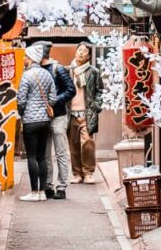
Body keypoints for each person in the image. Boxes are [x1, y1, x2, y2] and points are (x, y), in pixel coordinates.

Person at [16, 43, 57, 202]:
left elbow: (21, 100)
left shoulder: (27, 75)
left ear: (31, 58)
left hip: (31, 122)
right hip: (45, 122)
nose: (24, 59)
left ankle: (33, 192)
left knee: (32, 157)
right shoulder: (47, 75)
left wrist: (21, 112)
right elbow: (53, 99)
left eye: (26, 56)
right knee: (42, 157)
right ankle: (42, 192)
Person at [41, 41, 76, 200]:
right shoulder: (35, 70)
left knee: (60, 152)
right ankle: (48, 185)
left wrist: (54, 100)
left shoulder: (58, 68)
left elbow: (71, 90)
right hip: (42, 116)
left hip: (59, 116)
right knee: (46, 153)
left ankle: (61, 186)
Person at [68, 42, 103, 184]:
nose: (81, 52)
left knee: (87, 143)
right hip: (70, 114)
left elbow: (100, 90)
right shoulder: (68, 70)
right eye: (79, 50)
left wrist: (96, 106)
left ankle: (88, 172)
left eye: (84, 51)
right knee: (73, 145)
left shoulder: (93, 71)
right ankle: (77, 174)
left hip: (87, 113)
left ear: (89, 55)